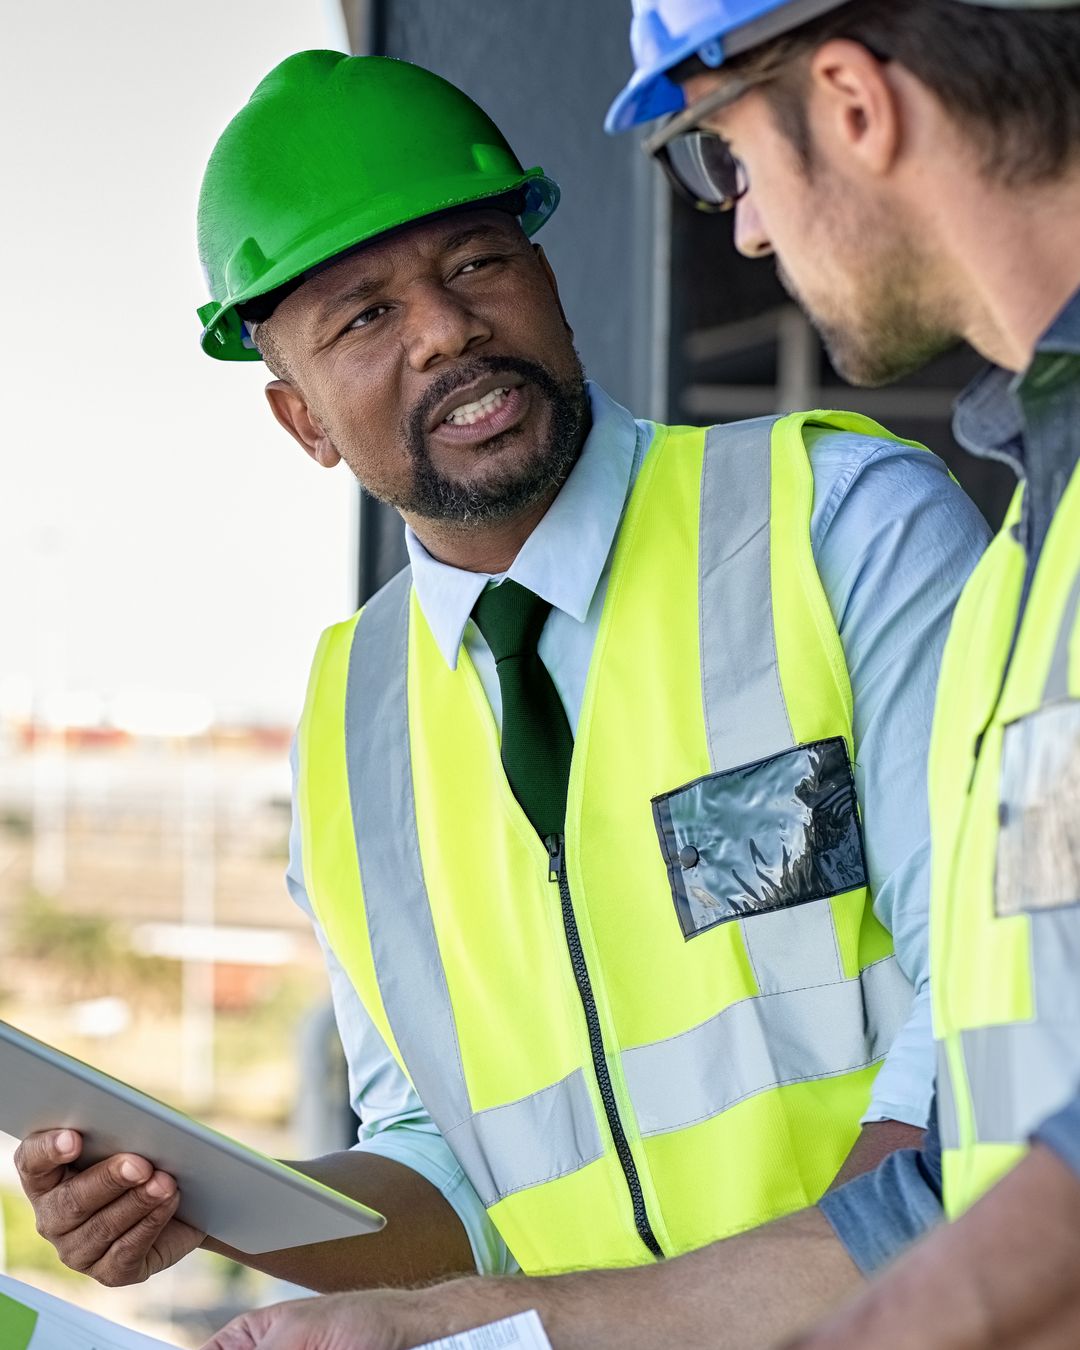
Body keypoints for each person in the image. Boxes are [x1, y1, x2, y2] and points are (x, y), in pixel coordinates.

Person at [15, 47, 987, 1312]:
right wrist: (209, 1207)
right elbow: (449, 1169)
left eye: (477, 262)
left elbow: (993, 1005)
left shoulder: (836, 525)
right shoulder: (349, 722)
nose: (447, 330)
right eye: (363, 315)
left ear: (548, 278)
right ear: (301, 422)